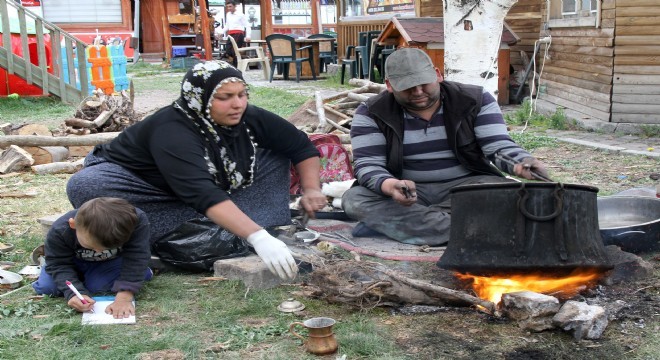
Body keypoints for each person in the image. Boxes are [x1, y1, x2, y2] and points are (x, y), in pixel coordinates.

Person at [66, 60, 326, 280]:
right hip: (144, 187)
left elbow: (300, 146)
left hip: (201, 190)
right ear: (199, 98)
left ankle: (217, 223)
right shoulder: (173, 129)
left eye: (242, 94)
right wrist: (258, 238)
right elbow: (199, 191)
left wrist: (312, 189)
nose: (237, 104)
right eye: (225, 98)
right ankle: (219, 225)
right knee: (87, 185)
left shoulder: (247, 116)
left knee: (275, 156)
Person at [342, 48, 549, 246]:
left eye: (424, 83)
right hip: (408, 193)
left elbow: (497, 146)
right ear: (389, 85)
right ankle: (475, 229)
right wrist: (390, 185)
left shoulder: (475, 100)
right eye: (407, 87)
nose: (418, 91)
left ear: (438, 75)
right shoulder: (371, 112)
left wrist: (521, 162)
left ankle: (416, 226)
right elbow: (368, 165)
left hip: (466, 187)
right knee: (354, 200)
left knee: (519, 195)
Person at [32, 197, 152, 318]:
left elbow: (137, 256)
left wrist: (125, 296)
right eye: (90, 246)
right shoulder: (60, 230)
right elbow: (59, 264)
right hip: (70, 263)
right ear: (73, 225)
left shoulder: (135, 221)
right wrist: (75, 294)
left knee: (97, 286)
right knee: (47, 288)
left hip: (109, 262)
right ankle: (90, 279)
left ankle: (140, 272)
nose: (99, 251)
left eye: (107, 248)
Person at [217, 1, 251, 67]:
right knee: (228, 50)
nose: (229, 8)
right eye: (228, 7)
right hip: (231, 34)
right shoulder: (228, 14)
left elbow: (247, 25)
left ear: (235, 6)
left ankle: (237, 67)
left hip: (238, 33)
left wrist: (248, 36)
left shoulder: (240, 14)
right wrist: (221, 32)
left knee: (234, 51)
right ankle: (236, 64)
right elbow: (227, 25)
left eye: (230, 6)